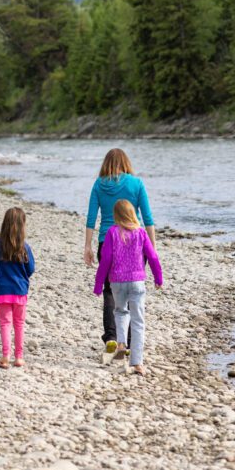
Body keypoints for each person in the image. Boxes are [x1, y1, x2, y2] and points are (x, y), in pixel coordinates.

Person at [84, 147, 155, 344]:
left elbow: (91, 218)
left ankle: (112, 337)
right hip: (136, 244)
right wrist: (152, 248)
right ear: (126, 163)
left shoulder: (99, 184)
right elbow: (148, 219)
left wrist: (87, 246)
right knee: (134, 288)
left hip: (106, 242)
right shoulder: (137, 183)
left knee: (109, 290)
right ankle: (132, 340)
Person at [94, 199, 163, 376]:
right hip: (137, 281)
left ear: (116, 216)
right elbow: (152, 256)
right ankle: (137, 363)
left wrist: (99, 283)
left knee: (120, 311)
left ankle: (122, 343)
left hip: (117, 281)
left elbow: (106, 260)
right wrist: (158, 277)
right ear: (132, 214)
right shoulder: (141, 233)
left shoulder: (112, 233)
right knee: (138, 320)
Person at [0, 207, 35, 369]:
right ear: (23, 226)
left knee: (5, 323)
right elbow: (30, 269)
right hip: (20, 291)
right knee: (19, 324)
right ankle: (19, 357)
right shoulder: (25, 247)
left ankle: (6, 356)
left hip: (3, 291)